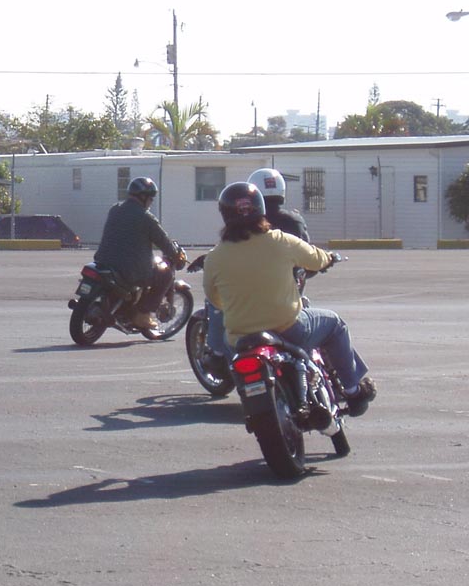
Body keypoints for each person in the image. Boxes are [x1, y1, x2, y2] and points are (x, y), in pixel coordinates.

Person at [203, 181, 376, 416]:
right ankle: (353, 391)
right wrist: (329, 258)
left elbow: (214, 298)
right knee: (335, 324)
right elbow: (315, 259)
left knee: (226, 341)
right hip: (289, 328)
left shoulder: (215, 257)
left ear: (225, 215)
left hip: (240, 337)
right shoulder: (280, 240)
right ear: (260, 209)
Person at [205, 168, 309, 363]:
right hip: (291, 294)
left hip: (252, 303)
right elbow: (309, 255)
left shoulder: (249, 223)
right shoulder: (294, 221)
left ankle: (217, 353)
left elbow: (235, 251)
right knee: (329, 323)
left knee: (215, 303)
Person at [92, 177, 186, 329]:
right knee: (165, 274)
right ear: (144, 197)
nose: (151, 202)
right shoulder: (146, 218)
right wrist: (177, 256)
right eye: (151, 199)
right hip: (129, 270)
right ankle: (143, 314)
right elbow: (163, 241)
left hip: (103, 261)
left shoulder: (115, 209)